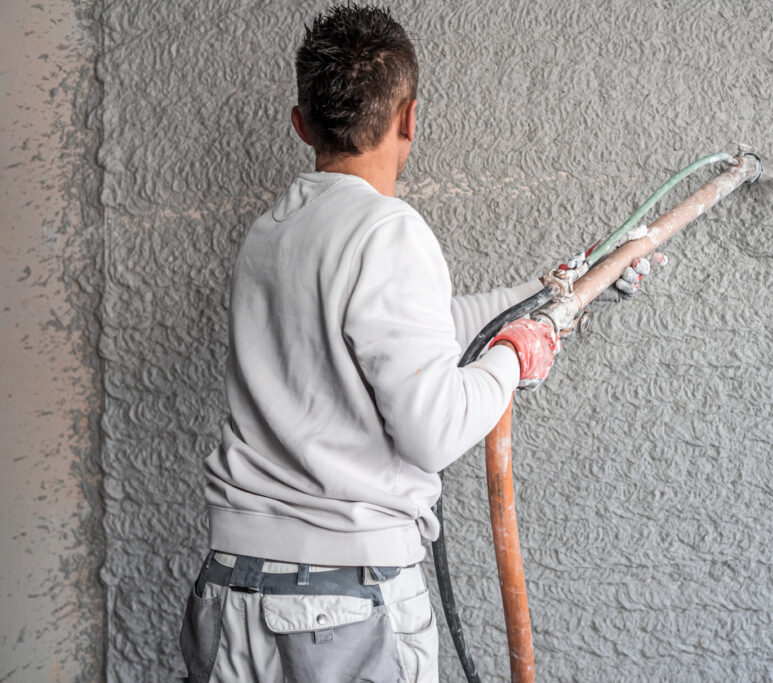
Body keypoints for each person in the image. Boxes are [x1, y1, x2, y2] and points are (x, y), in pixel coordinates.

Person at [179, 5, 657, 682]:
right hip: (338, 603)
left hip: (231, 593)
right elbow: (433, 430)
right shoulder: (388, 231)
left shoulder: (271, 235)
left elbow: (408, 330)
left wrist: (553, 293)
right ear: (410, 119)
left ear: (300, 124)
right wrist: (519, 355)